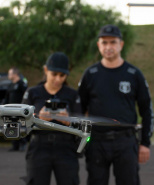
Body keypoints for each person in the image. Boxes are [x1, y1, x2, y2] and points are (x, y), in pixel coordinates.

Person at [78, 24, 153, 185]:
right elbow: (79, 109)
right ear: (98, 45)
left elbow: (146, 110)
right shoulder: (90, 75)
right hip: (96, 142)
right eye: (104, 43)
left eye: (113, 42)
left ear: (121, 44)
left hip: (125, 142)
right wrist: (81, 138)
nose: (108, 47)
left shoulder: (134, 74)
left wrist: (145, 143)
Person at [22, 52, 81, 185]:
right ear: (46, 70)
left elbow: (81, 122)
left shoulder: (72, 94)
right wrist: (37, 118)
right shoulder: (32, 93)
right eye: (54, 74)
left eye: (62, 75)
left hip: (66, 146)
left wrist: (69, 121)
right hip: (39, 146)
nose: (58, 79)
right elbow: (21, 123)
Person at [5, 67, 28, 151]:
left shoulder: (22, 84)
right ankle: (15, 145)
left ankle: (23, 143)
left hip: (19, 110)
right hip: (10, 110)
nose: (8, 75)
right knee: (12, 126)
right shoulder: (11, 85)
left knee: (20, 126)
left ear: (15, 74)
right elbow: (7, 97)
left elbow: (26, 97)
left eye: (9, 74)